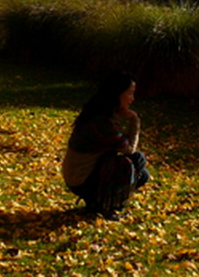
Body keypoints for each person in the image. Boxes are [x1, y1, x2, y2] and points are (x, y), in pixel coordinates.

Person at [62, 72, 149, 220]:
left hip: (77, 177)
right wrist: (134, 120)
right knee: (137, 160)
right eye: (130, 93)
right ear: (117, 94)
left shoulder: (97, 113)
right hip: (81, 180)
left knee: (141, 173)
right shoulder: (101, 123)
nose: (132, 99)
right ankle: (104, 204)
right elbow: (129, 149)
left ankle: (99, 203)